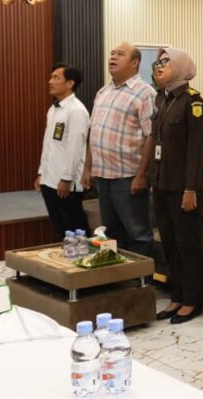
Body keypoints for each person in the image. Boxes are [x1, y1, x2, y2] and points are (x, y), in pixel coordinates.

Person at [148, 48, 203, 323]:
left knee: (188, 244)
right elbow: (156, 143)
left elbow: (196, 150)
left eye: (166, 61)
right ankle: (177, 296)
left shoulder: (193, 102)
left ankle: (192, 300)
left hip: (184, 187)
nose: (159, 66)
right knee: (170, 243)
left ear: (182, 67)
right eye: (157, 62)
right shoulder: (161, 99)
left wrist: (190, 188)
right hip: (162, 183)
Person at [82, 43, 156, 256]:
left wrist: (142, 175)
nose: (113, 57)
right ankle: (117, 275)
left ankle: (141, 276)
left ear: (135, 63)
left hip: (128, 177)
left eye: (120, 54)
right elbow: (94, 132)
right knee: (111, 233)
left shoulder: (145, 93)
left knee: (138, 234)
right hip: (103, 175)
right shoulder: (103, 91)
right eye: (112, 53)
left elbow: (151, 136)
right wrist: (88, 168)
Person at [36, 63, 90, 238]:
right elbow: (48, 145)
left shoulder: (77, 111)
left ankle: (84, 254)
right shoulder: (53, 109)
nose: (50, 81)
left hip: (66, 182)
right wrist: (41, 173)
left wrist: (66, 178)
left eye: (56, 78)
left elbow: (75, 147)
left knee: (75, 227)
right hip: (50, 179)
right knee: (60, 227)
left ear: (70, 83)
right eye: (51, 77)